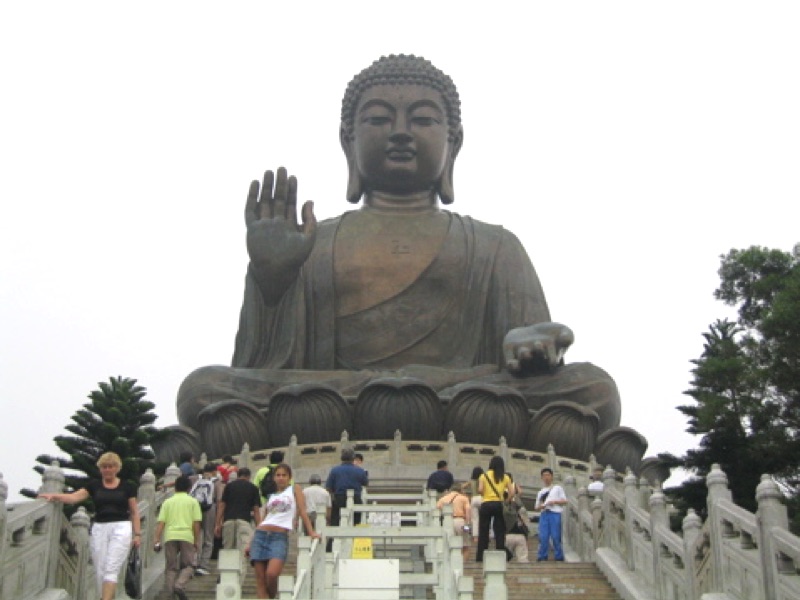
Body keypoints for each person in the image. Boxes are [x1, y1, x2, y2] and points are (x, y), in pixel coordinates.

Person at [174, 54, 635, 470]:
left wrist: (534, 341)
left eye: (423, 120)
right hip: (337, 398)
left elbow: (532, 350)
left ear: (453, 143)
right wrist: (272, 282)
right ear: (347, 142)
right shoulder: (313, 243)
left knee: (595, 390)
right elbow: (262, 366)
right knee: (203, 389)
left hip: (461, 399)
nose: (399, 132)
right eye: (378, 119)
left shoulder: (495, 245)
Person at [38, 452, 141, 600]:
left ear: (117, 468)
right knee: (100, 569)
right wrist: (55, 496)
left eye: (110, 466)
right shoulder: (94, 485)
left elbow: (134, 512)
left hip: (121, 527)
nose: (107, 470)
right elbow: (75, 497)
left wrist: (137, 534)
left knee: (111, 567)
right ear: (100, 469)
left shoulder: (127, 487)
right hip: (99, 528)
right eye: (104, 467)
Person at [245, 463, 320, 599]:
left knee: (272, 574)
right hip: (261, 535)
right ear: (274, 478)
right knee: (260, 582)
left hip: (279, 537)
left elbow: (303, 511)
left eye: (284, 475)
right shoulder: (271, 496)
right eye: (278, 475)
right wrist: (250, 543)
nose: (281, 478)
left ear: (289, 477)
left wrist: (311, 532)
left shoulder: (294, 490)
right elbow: (263, 519)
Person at [154, 475, 202, 600]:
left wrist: (157, 538)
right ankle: (179, 585)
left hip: (170, 536)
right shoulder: (193, 502)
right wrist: (196, 540)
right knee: (190, 565)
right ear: (189, 488)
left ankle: (170, 594)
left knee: (170, 567)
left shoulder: (168, 502)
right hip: (186, 536)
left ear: (175, 487)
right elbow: (196, 523)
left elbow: (161, 523)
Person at [325, 448, 368, 551]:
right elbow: (365, 483)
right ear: (353, 458)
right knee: (356, 524)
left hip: (339, 498)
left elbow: (328, 487)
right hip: (356, 499)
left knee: (335, 523)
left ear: (341, 458)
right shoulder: (360, 471)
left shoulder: (335, 470)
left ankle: (330, 548)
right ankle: (355, 547)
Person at [476, 456, 514, 562]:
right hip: (499, 504)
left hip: (486, 504)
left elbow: (479, 490)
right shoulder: (505, 477)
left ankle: (480, 556)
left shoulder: (483, 476)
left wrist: (486, 495)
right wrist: (506, 501)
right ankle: (501, 553)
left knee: (483, 531)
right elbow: (512, 492)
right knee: (499, 531)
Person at [215, 467, 261, 552]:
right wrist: (259, 526)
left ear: (238, 475)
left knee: (227, 549)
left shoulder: (229, 486)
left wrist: (218, 524)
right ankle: (242, 565)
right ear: (249, 476)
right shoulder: (253, 488)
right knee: (243, 549)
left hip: (228, 520)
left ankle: (227, 565)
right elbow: (256, 510)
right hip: (244, 521)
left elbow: (222, 506)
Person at [191, 462, 224, 576]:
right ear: (215, 471)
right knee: (208, 538)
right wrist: (218, 521)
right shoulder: (217, 482)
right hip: (210, 509)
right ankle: (203, 565)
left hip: (195, 509)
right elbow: (220, 501)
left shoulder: (195, 479)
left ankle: (193, 562)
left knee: (195, 536)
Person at [535, 468, 567, 562]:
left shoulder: (557, 488)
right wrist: (543, 506)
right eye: (544, 475)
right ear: (541, 477)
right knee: (543, 536)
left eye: (548, 475)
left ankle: (558, 556)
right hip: (544, 514)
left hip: (555, 513)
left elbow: (565, 501)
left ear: (552, 476)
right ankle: (542, 556)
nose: (546, 477)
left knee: (556, 536)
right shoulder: (540, 492)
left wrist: (554, 502)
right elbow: (536, 507)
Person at [437, 482, 471, 560]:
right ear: (461, 490)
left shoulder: (444, 498)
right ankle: (461, 564)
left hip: (448, 522)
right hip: (460, 521)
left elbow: (437, 507)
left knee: (449, 545)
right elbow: (468, 511)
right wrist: (468, 525)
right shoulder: (464, 498)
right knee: (465, 546)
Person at [504, 476, 529, 563]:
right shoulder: (519, 506)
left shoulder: (503, 507)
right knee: (523, 560)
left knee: (504, 561)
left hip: (507, 536)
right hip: (520, 535)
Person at [468, 466, 484, 545]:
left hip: (473, 499)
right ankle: (486, 534)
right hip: (481, 498)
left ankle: (475, 537)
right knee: (484, 517)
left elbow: (462, 486)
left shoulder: (471, 481)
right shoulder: (482, 480)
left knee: (475, 519)